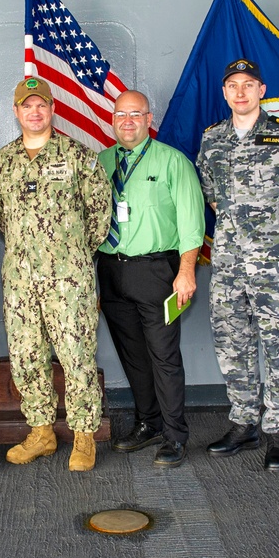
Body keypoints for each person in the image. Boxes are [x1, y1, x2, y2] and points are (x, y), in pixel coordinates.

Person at [196, 59, 279, 472]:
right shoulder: (213, 139)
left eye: (248, 85)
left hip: (273, 263)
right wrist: (238, 228)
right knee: (232, 343)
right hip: (229, 263)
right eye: (232, 85)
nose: (240, 92)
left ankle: (278, 432)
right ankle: (244, 422)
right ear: (224, 92)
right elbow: (211, 194)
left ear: (262, 90)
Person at [0, 77, 110, 472]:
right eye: (27, 106)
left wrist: (70, 254)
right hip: (21, 280)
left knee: (76, 357)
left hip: (69, 280)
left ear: (52, 109)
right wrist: (31, 254)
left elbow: (99, 214)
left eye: (41, 105)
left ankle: (84, 436)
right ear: (16, 111)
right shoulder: (0, 163)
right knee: (26, 357)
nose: (34, 112)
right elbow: (3, 220)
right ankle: (41, 432)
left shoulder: (79, 157)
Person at [97, 90, 205, 468]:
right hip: (111, 269)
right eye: (121, 114)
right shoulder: (101, 162)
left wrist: (186, 272)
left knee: (164, 357)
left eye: (135, 114)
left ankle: (175, 435)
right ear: (113, 119)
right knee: (133, 356)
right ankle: (149, 422)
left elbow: (193, 224)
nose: (127, 121)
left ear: (148, 119)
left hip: (157, 270)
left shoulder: (173, 162)